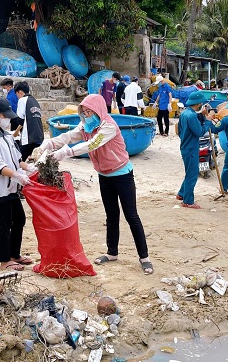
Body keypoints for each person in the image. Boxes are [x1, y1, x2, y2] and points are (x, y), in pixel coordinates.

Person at [38, 94, 154, 275]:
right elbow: (70, 135)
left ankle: (144, 258)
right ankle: (112, 253)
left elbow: (91, 145)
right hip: (104, 175)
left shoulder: (108, 127)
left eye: (90, 111)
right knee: (111, 215)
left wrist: (65, 153)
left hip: (122, 175)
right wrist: (51, 143)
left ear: (99, 110)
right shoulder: (86, 125)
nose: (87, 114)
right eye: (84, 112)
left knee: (131, 216)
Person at [0, 97, 35, 270]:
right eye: (5, 116)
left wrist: (28, 168)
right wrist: (17, 175)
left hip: (10, 186)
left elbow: (17, 159)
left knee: (19, 219)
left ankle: (14, 254)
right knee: (5, 223)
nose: (8, 119)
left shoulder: (6, 136)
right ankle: (4, 260)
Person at [177, 90, 216, 209]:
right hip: (191, 148)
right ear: (199, 104)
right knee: (192, 174)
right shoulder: (192, 116)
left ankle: (182, 193)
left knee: (190, 172)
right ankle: (188, 201)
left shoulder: (185, 113)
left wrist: (202, 115)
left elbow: (181, 129)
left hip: (185, 146)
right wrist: (208, 120)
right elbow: (199, 131)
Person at [15, 81, 44, 161]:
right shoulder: (35, 101)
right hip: (39, 136)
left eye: (16, 94)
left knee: (18, 160)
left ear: (19, 92)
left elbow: (20, 120)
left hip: (28, 137)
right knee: (37, 161)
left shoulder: (22, 100)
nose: (17, 97)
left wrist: (16, 132)